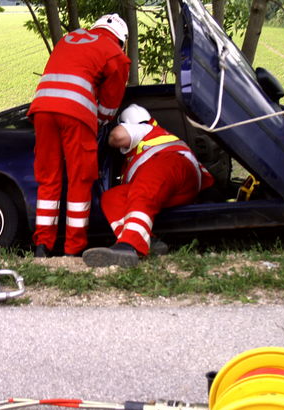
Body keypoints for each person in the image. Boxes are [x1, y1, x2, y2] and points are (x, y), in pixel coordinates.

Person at [27, 13, 131, 258]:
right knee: (80, 179)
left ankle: (43, 246)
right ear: (121, 39)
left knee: (48, 177)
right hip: (75, 114)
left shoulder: (69, 38)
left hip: (42, 108)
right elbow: (110, 103)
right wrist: (99, 122)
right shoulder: (116, 54)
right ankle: (73, 249)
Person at [82, 104, 215, 268]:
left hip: (172, 164)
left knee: (144, 187)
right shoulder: (139, 152)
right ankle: (148, 240)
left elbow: (118, 136)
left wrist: (104, 134)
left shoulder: (144, 129)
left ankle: (129, 245)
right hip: (171, 190)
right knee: (113, 197)